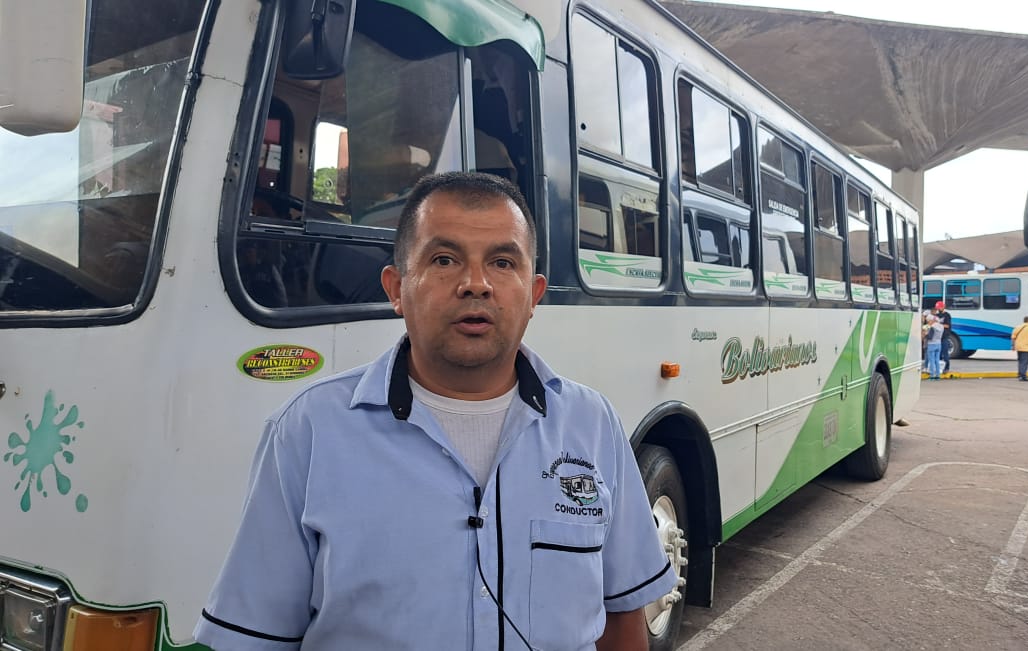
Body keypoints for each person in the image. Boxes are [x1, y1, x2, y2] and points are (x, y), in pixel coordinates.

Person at [194, 172, 676, 650]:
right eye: (444, 259)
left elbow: (621, 618)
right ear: (396, 289)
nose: (476, 284)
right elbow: (256, 638)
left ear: (533, 295)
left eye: (503, 262)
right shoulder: (307, 432)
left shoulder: (592, 425)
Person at [934, 300, 952, 373]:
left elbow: (947, 325)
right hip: (937, 337)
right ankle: (939, 368)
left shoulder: (947, 315)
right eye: (937, 308)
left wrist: (939, 325)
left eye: (939, 308)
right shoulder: (937, 315)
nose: (938, 309)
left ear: (943, 307)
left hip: (944, 337)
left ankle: (946, 368)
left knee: (945, 353)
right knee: (938, 354)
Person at [925, 314, 944, 380]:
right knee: (937, 360)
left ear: (931, 320)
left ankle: (932, 375)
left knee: (932, 361)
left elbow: (930, 337)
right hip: (939, 344)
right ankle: (938, 375)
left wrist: (926, 334)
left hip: (932, 344)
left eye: (928, 321)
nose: (928, 322)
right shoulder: (941, 326)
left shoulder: (932, 327)